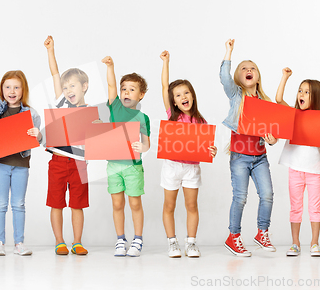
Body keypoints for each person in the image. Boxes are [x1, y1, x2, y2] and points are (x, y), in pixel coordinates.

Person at [0, 44, 42, 256]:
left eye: (17, 87)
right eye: (8, 87)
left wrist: (37, 135)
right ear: (3, 90)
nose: (12, 92)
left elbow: (40, 138)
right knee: (0, 204)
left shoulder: (30, 113)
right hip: (0, 165)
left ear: (23, 90)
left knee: (19, 204)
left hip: (21, 165)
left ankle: (19, 243)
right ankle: (0, 243)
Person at [275, 67, 320, 257]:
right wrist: (285, 77)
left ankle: (314, 243)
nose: (302, 94)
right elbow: (278, 100)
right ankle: (295, 243)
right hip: (295, 169)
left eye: (307, 92)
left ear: (315, 97)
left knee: (315, 208)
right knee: (295, 207)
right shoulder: (293, 114)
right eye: (300, 90)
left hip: (314, 170)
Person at [220, 39, 278, 257]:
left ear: (258, 76)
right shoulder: (236, 96)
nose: (248, 70)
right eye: (244, 68)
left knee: (268, 195)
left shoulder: (265, 101)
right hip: (240, 157)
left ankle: (262, 233)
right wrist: (228, 52)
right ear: (239, 76)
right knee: (241, 197)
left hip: (260, 157)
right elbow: (224, 78)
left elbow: (273, 134)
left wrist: (272, 140)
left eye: (252, 68)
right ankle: (233, 237)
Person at [159, 50, 217, 258]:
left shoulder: (201, 122)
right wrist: (166, 63)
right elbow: (165, 87)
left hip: (191, 168)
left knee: (191, 205)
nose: (183, 97)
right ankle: (172, 242)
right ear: (173, 101)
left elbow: (206, 146)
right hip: (172, 166)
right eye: (178, 95)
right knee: (169, 205)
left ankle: (191, 243)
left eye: (186, 93)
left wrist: (212, 150)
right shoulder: (172, 117)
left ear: (192, 95)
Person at [44, 36, 91, 255]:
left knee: (78, 204)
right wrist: (51, 51)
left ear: (84, 87)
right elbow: (55, 74)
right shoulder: (61, 103)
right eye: (65, 87)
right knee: (56, 203)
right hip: (58, 161)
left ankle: (78, 241)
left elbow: (96, 141)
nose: (68, 90)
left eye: (72, 86)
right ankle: (59, 241)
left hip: (80, 163)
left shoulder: (91, 112)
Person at [102, 55, 150, 257]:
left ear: (141, 95)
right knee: (117, 203)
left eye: (132, 89)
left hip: (133, 166)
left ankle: (138, 240)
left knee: (135, 203)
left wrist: (142, 147)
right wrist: (111, 67)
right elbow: (111, 85)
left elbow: (147, 143)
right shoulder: (115, 108)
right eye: (124, 89)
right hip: (113, 165)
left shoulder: (142, 117)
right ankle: (120, 239)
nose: (126, 92)